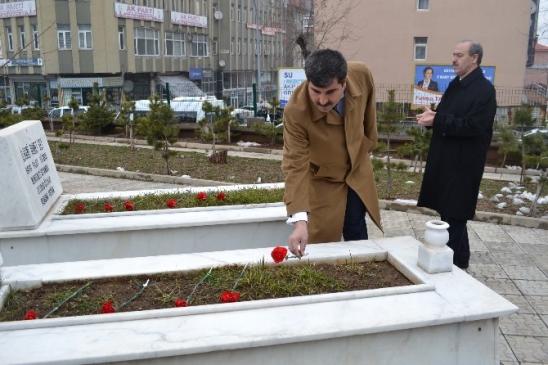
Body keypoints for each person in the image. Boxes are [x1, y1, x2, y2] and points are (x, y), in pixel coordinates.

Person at [281, 49, 382, 258]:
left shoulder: (361, 74)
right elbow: (294, 165)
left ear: (344, 82)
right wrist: (300, 222)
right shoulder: (296, 111)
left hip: (356, 172)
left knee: (357, 231)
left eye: (330, 92)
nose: (322, 100)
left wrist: (367, 144)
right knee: (321, 243)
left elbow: (369, 114)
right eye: (316, 91)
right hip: (322, 179)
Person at [416, 40, 497, 269]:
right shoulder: (455, 84)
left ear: (474, 58)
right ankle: (461, 261)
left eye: (459, 55)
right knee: (450, 212)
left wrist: (438, 119)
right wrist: (431, 119)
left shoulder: (484, 89)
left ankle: (449, 266)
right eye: (453, 54)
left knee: (456, 213)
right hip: (447, 160)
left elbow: (474, 126)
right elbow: (445, 117)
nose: (454, 59)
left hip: (464, 164)